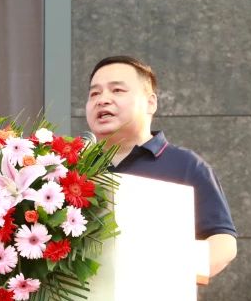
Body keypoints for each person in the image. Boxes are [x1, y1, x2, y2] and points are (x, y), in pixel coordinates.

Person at [85, 55, 238, 278]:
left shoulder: (186, 165)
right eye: (94, 93)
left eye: (117, 90)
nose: (102, 100)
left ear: (151, 103)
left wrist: (168, 273)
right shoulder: (72, 169)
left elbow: (222, 243)